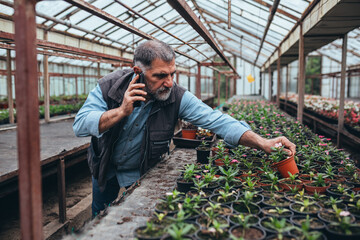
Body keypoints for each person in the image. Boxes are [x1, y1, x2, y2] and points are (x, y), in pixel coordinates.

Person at [73, 40, 296, 217]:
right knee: (100, 218)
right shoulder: (110, 86)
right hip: (105, 168)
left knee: (140, 218)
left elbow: (217, 120)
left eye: (172, 74)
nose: (169, 82)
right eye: (160, 76)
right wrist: (121, 111)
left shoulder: (177, 96)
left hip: (141, 170)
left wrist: (262, 142)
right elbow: (81, 124)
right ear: (138, 71)